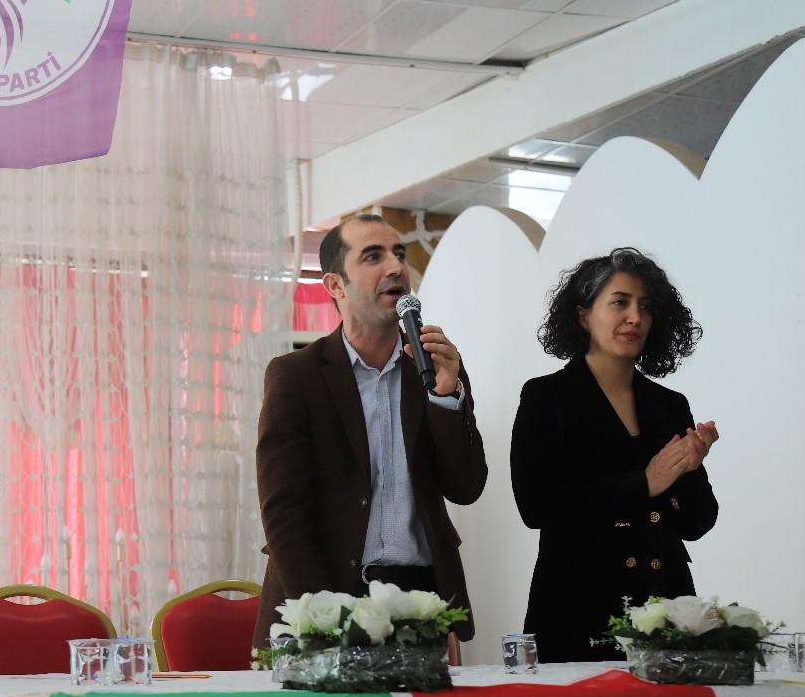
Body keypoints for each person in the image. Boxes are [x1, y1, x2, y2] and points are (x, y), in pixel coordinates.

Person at [252, 213, 487, 648]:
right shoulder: (296, 376)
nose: (396, 267)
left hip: (420, 601)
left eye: (399, 254)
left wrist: (445, 398)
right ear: (335, 285)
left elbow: (466, 487)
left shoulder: (436, 367)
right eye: (373, 257)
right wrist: (323, 619)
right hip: (328, 596)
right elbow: (284, 516)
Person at [511, 247, 719, 663]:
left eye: (646, 306)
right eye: (620, 303)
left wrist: (687, 472)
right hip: (578, 609)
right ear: (583, 315)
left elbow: (699, 523)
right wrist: (645, 483)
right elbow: (536, 507)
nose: (635, 317)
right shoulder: (546, 396)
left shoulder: (670, 404)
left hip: (665, 611)